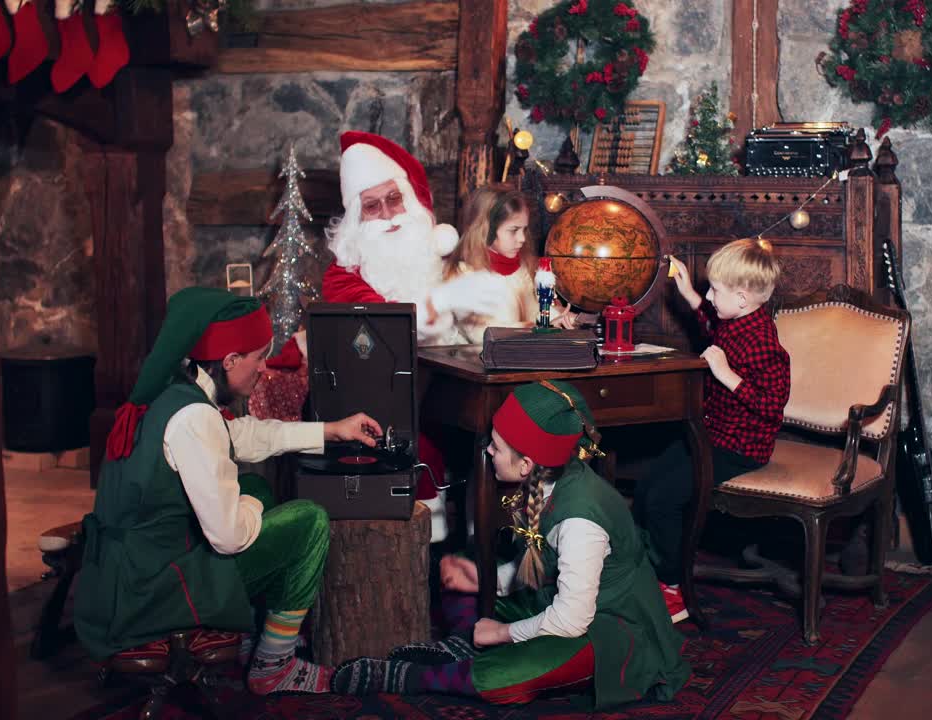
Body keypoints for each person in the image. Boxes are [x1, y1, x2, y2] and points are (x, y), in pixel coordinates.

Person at [72, 287, 383, 696]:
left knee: (252, 484)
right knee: (309, 520)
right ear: (230, 360)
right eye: (258, 357)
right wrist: (251, 502)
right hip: (153, 591)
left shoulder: (173, 391)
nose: (264, 368)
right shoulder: (194, 417)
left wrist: (331, 430)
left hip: (135, 570)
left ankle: (251, 636)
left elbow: (237, 435)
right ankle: (274, 666)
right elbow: (229, 536)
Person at [330, 381, 691, 708]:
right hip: (557, 597)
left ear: (525, 465)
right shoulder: (546, 479)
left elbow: (570, 620)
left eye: (497, 446)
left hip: (608, 626)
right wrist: (492, 579)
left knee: (500, 678)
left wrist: (502, 632)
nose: (487, 450)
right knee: (462, 570)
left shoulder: (581, 519)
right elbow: (542, 562)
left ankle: (415, 676)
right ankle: (464, 647)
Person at [319, 131, 507, 539]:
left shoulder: (435, 261)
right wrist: (443, 301)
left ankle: (490, 560)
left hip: (443, 395)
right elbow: (384, 329)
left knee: (502, 436)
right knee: (427, 450)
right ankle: (431, 561)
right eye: (372, 206)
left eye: (394, 198)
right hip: (371, 406)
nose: (388, 214)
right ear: (355, 219)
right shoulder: (341, 279)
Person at [634, 238, 791, 622]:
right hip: (711, 433)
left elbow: (773, 407)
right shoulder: (736, 318)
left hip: (740, 446)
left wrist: (728, 376)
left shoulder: (764, 343)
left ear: (741, 298)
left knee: (662, 499)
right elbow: (714, 322)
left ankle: (673, 587)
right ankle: (648, 569)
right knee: (647, 484)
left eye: (715, 290)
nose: (709, 295)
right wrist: (689, 295)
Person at [442, 185, 579, 343]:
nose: (522, 239)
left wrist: (565, 318)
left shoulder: (523, 269)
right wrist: (539, 328)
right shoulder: (462, 275)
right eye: (513, 230)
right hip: (477, 363)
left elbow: (538, 312)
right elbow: (482, 333)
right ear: (486, 231)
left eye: (523, 230)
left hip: (523, 359)